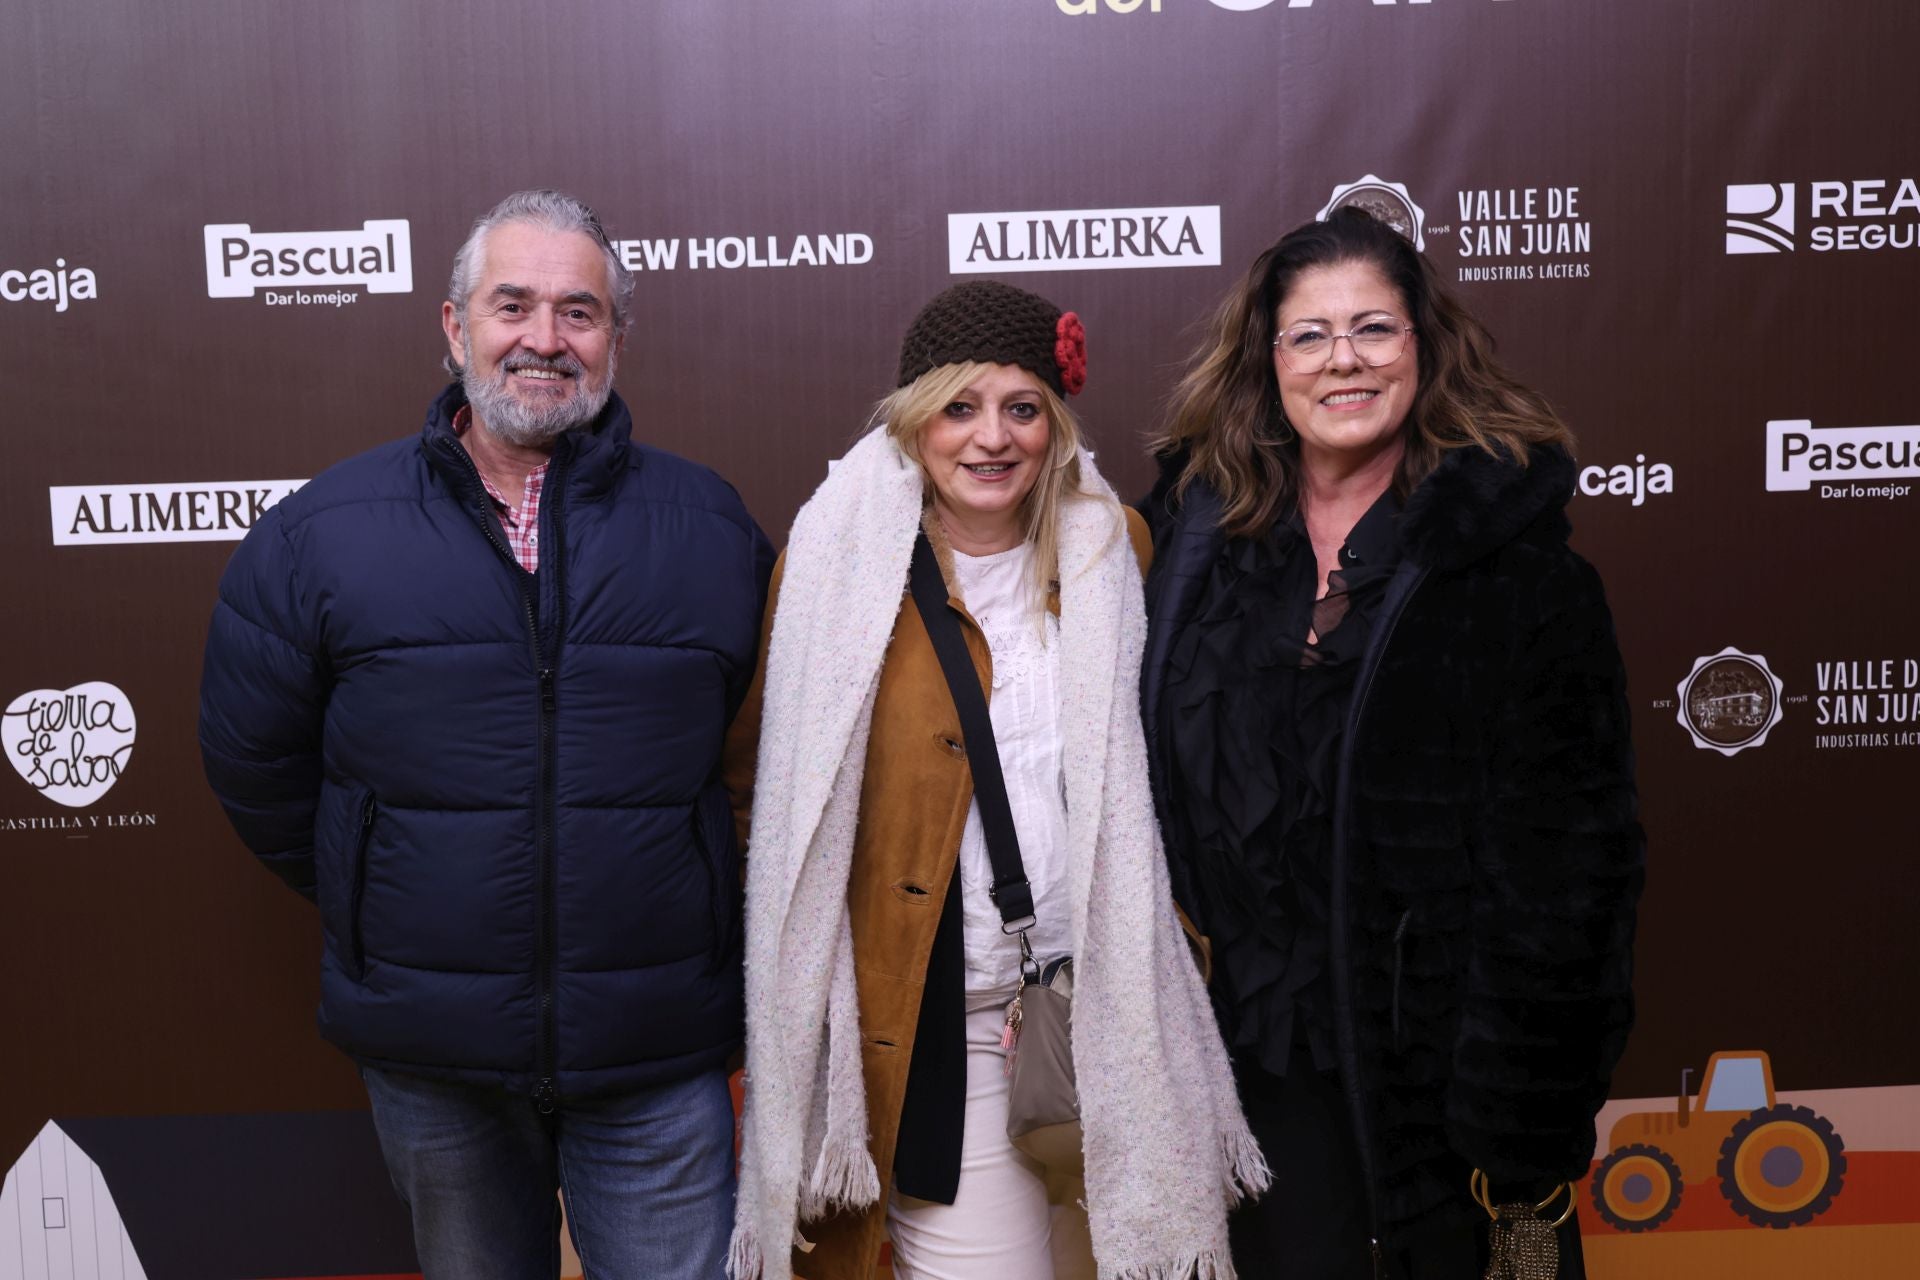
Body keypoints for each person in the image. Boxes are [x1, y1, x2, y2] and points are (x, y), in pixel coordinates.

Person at [198, 189, 773, 1280]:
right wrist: (384, 883)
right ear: (456, 326)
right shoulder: (325, 532)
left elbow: (766, 762)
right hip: (437, 1052)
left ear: (615, 337)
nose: (544, 339)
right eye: (513, 305)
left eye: (579, 311)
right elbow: (254, 759)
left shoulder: (709, 527)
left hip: (655, 1044)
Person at [723, 280, 1267, 1280]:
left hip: (1107, 1005)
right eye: (960, 407)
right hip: (951, 1025)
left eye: (1022, 407)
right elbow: (767, 784)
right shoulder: (836, 568)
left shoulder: (1115, 548)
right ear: (913, 420)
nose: (992, 437)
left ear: (1054, 422)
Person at [1139, 207, 1644, 1279]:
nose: (1344, 360)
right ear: (1267, 359)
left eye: (1374, 327)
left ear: (1424, 342)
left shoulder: (1516, 575)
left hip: (1436, 1100)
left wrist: (1518, 1119)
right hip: (1237, 1070)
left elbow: (1570, 878)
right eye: (1310, 334)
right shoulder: (1195, 549)